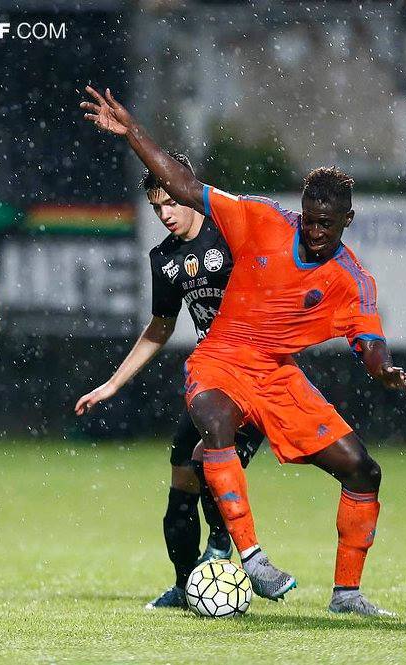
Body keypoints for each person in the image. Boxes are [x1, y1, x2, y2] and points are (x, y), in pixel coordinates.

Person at [81, 86, 406, 617]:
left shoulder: (352, 280)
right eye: (309, 217)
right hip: (217, 360)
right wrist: (134, 134)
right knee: (208, 437)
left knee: (362, 470)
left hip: (277, 378)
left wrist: (385, 371)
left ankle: (347, 595)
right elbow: (185, 185)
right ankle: (250, 560)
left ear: (348, 221)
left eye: (326, 223)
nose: (314, 230)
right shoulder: (260, 221)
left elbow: (369, 344)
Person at [74, 153, 266, 610]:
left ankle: (221, 552)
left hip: (259, 378)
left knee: (207, 460)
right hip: (214, 382)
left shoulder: (232, 231)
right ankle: (186, 586)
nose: (165, 215)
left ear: (189, 190)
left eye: (170, 203)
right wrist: (112, 384)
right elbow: (160, 327)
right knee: (181, 478)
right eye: (156, 208)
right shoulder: (165, 259)